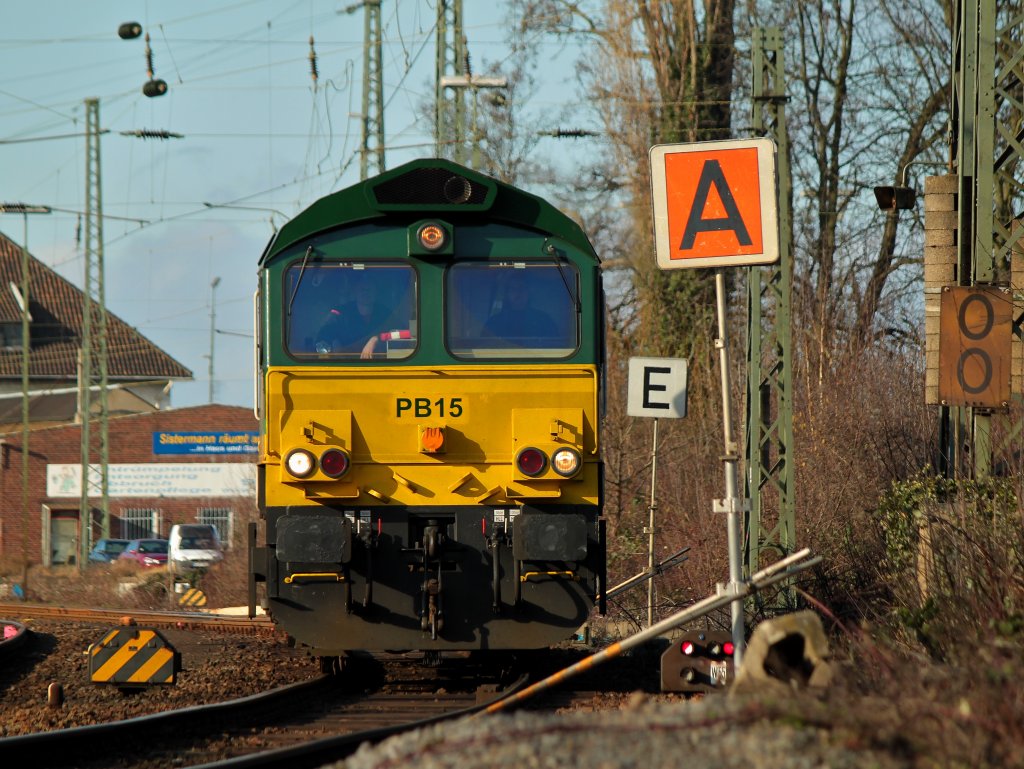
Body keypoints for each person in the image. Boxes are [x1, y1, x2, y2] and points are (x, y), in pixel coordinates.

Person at [315, 274, 394, 358]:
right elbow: (321, 340)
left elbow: (404, 333)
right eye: (362, 289)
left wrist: (376, 339)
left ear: (376, 292)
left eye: (369, 289)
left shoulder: (385, 313)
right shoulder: (339, 314)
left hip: (380, 366)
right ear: (355, 291)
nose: (365, 292)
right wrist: (329, 352)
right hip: (347, 366)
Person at [482, 272, 559, 343]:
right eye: (513, 288)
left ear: (529, 292)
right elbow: (484, 347)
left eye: (522, 288)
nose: (518, 292)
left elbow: (555, 345)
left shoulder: (544, 320)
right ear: (507, 294)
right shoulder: (494, 322)